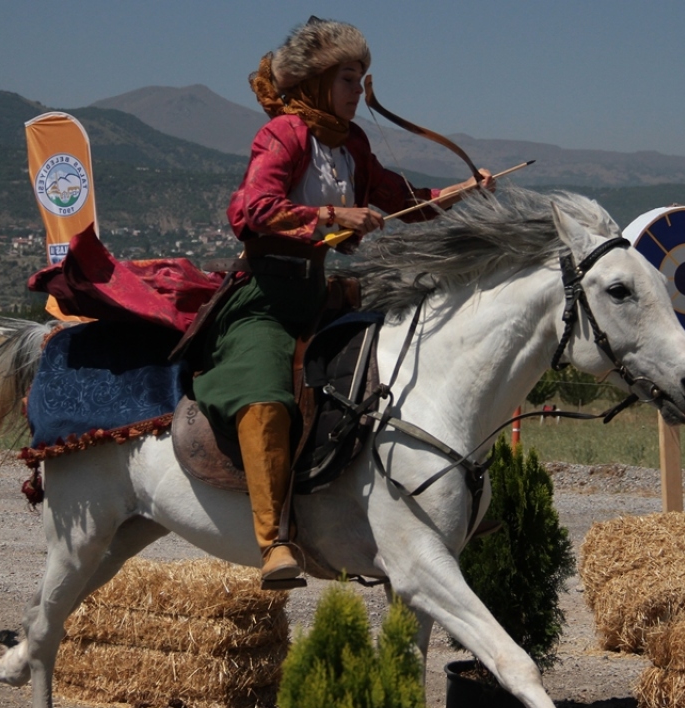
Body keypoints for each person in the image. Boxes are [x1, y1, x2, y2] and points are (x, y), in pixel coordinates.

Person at [192, 17, 495, 589]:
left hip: (319, 293)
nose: (360, 92)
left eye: (361, 80)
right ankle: (274, 541)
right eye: (350, 80)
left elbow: (398, 197)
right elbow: (249, 211)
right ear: (318, 83)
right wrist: (332, 216)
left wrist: (456, 196)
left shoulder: (352, 144)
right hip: (264, 297)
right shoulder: (284, 135)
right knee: (267, 395)